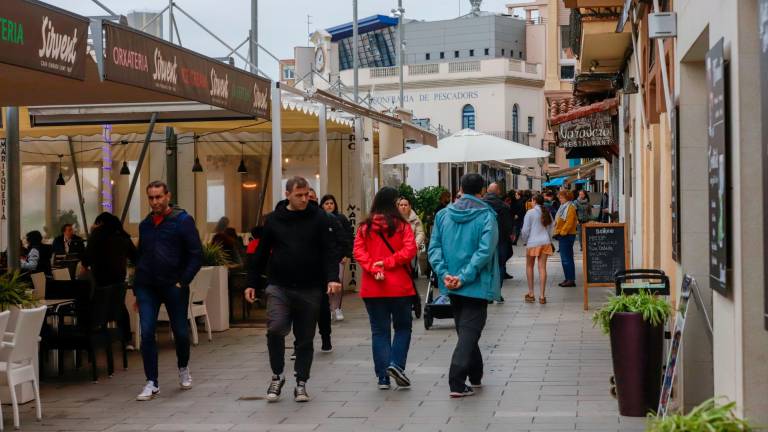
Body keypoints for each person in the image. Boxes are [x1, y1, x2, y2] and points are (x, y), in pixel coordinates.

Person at [244, 176, 341, 403]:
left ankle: (301, 382)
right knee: (275, 328)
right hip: (279, 286)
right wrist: (251, 282)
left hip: (310, 287)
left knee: (305, 338)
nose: (304, 199)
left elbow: (329, 250)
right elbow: (260, 253)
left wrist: (332, 278)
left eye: (307, 194)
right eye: (299, 195)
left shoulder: (318, 218)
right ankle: (277, 374)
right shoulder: (275, 220)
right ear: (287, 194)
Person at [428, 173, 500, 398]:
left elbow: (434, 248)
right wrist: (465, 276)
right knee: (469, 331)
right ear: (481, 192)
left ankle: (476, 374)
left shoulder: (442, 215)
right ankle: (456, 381)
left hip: (451, 282)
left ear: (460, 188)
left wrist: (445, 273)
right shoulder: (487, 216)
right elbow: (485, 251)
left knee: (466, 329)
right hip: (476, 283)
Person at [133, 181, 203, 401]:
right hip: (147, 286)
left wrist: (183, 281)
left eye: (158, 197)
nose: (155, 201)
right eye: (151, 198)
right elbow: (141, 255)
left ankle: (183, 367)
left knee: (181, 332)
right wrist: (137, 289)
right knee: (146, 333)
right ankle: (152, 382)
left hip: (174, 285)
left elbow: (196, 254)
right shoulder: (145, 224)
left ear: (167, 196)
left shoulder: (182, 221)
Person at [354, 187, 418, 390]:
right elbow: (410, 250)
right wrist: (389, 262)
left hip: (373, 287)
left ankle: (383, 377)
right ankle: (396, 365)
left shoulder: (364, 227)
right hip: (399, 286)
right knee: (402, 328)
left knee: (379, 331)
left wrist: (374, 268)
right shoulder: (402, 226)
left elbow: (358, 251)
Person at [81, 212, 137, 347]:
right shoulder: (123, 236)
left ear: (100, 223)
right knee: (120, 307)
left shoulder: (97, 235)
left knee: (93, 307)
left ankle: (93, 338)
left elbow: (86, 259)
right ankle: (126, 339)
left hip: (100, 281)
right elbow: (135, 257)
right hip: (118, 280)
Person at [320, 194, 354, 323]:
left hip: (339, 256)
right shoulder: (319, 218)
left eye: (331, 203)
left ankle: (337, 308)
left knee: (337, 282)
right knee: (325, 283)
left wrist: (346, 254)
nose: (329, 205)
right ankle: (328, 308)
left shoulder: (341, 218)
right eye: (326, 203)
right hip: (323, 257)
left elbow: (348, 237)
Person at [520, 195, 554, 304]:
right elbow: (551, 228)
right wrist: (549, 239)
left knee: (529, 266)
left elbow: (525, 230)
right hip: (545, 242)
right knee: (542, 268)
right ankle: (542, 296)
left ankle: (531, 293)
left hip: (533, 242)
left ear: (534, 201)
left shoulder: (530, 213)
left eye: (532, 200)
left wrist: (525, 240)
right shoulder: (546, 212)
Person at [397, 196, 425, 317]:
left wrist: (414, 245)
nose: (403, 207)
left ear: (409, 207)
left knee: (408, 278)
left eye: (405, 205)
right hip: (397, 254)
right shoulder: (393, 220)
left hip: (410, 253)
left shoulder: (415, 219)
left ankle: (412, 300)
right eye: (401, 205)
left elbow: (420, 233)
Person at [483, 183, 514, 287]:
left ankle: (488, 291)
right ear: (498, 192)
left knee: (486, 265)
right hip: (501, 239)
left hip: (485, 239)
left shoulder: (481, 204)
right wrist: (511, 234)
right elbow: (508, 224)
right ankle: (497, 292)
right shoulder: (504, 206)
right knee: (500, 264)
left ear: (487, 190)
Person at [553, 190, 578, 288]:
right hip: (563, 234)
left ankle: (570, 279)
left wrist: (563, 232)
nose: (560, 199)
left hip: (566, 235)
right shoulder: (564, 207)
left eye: (561, 197)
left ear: (567, 198)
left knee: (566, 258)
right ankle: (568, 278)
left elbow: (570, 222)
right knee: (566, 258)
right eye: (559, 197)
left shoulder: (570, 207)